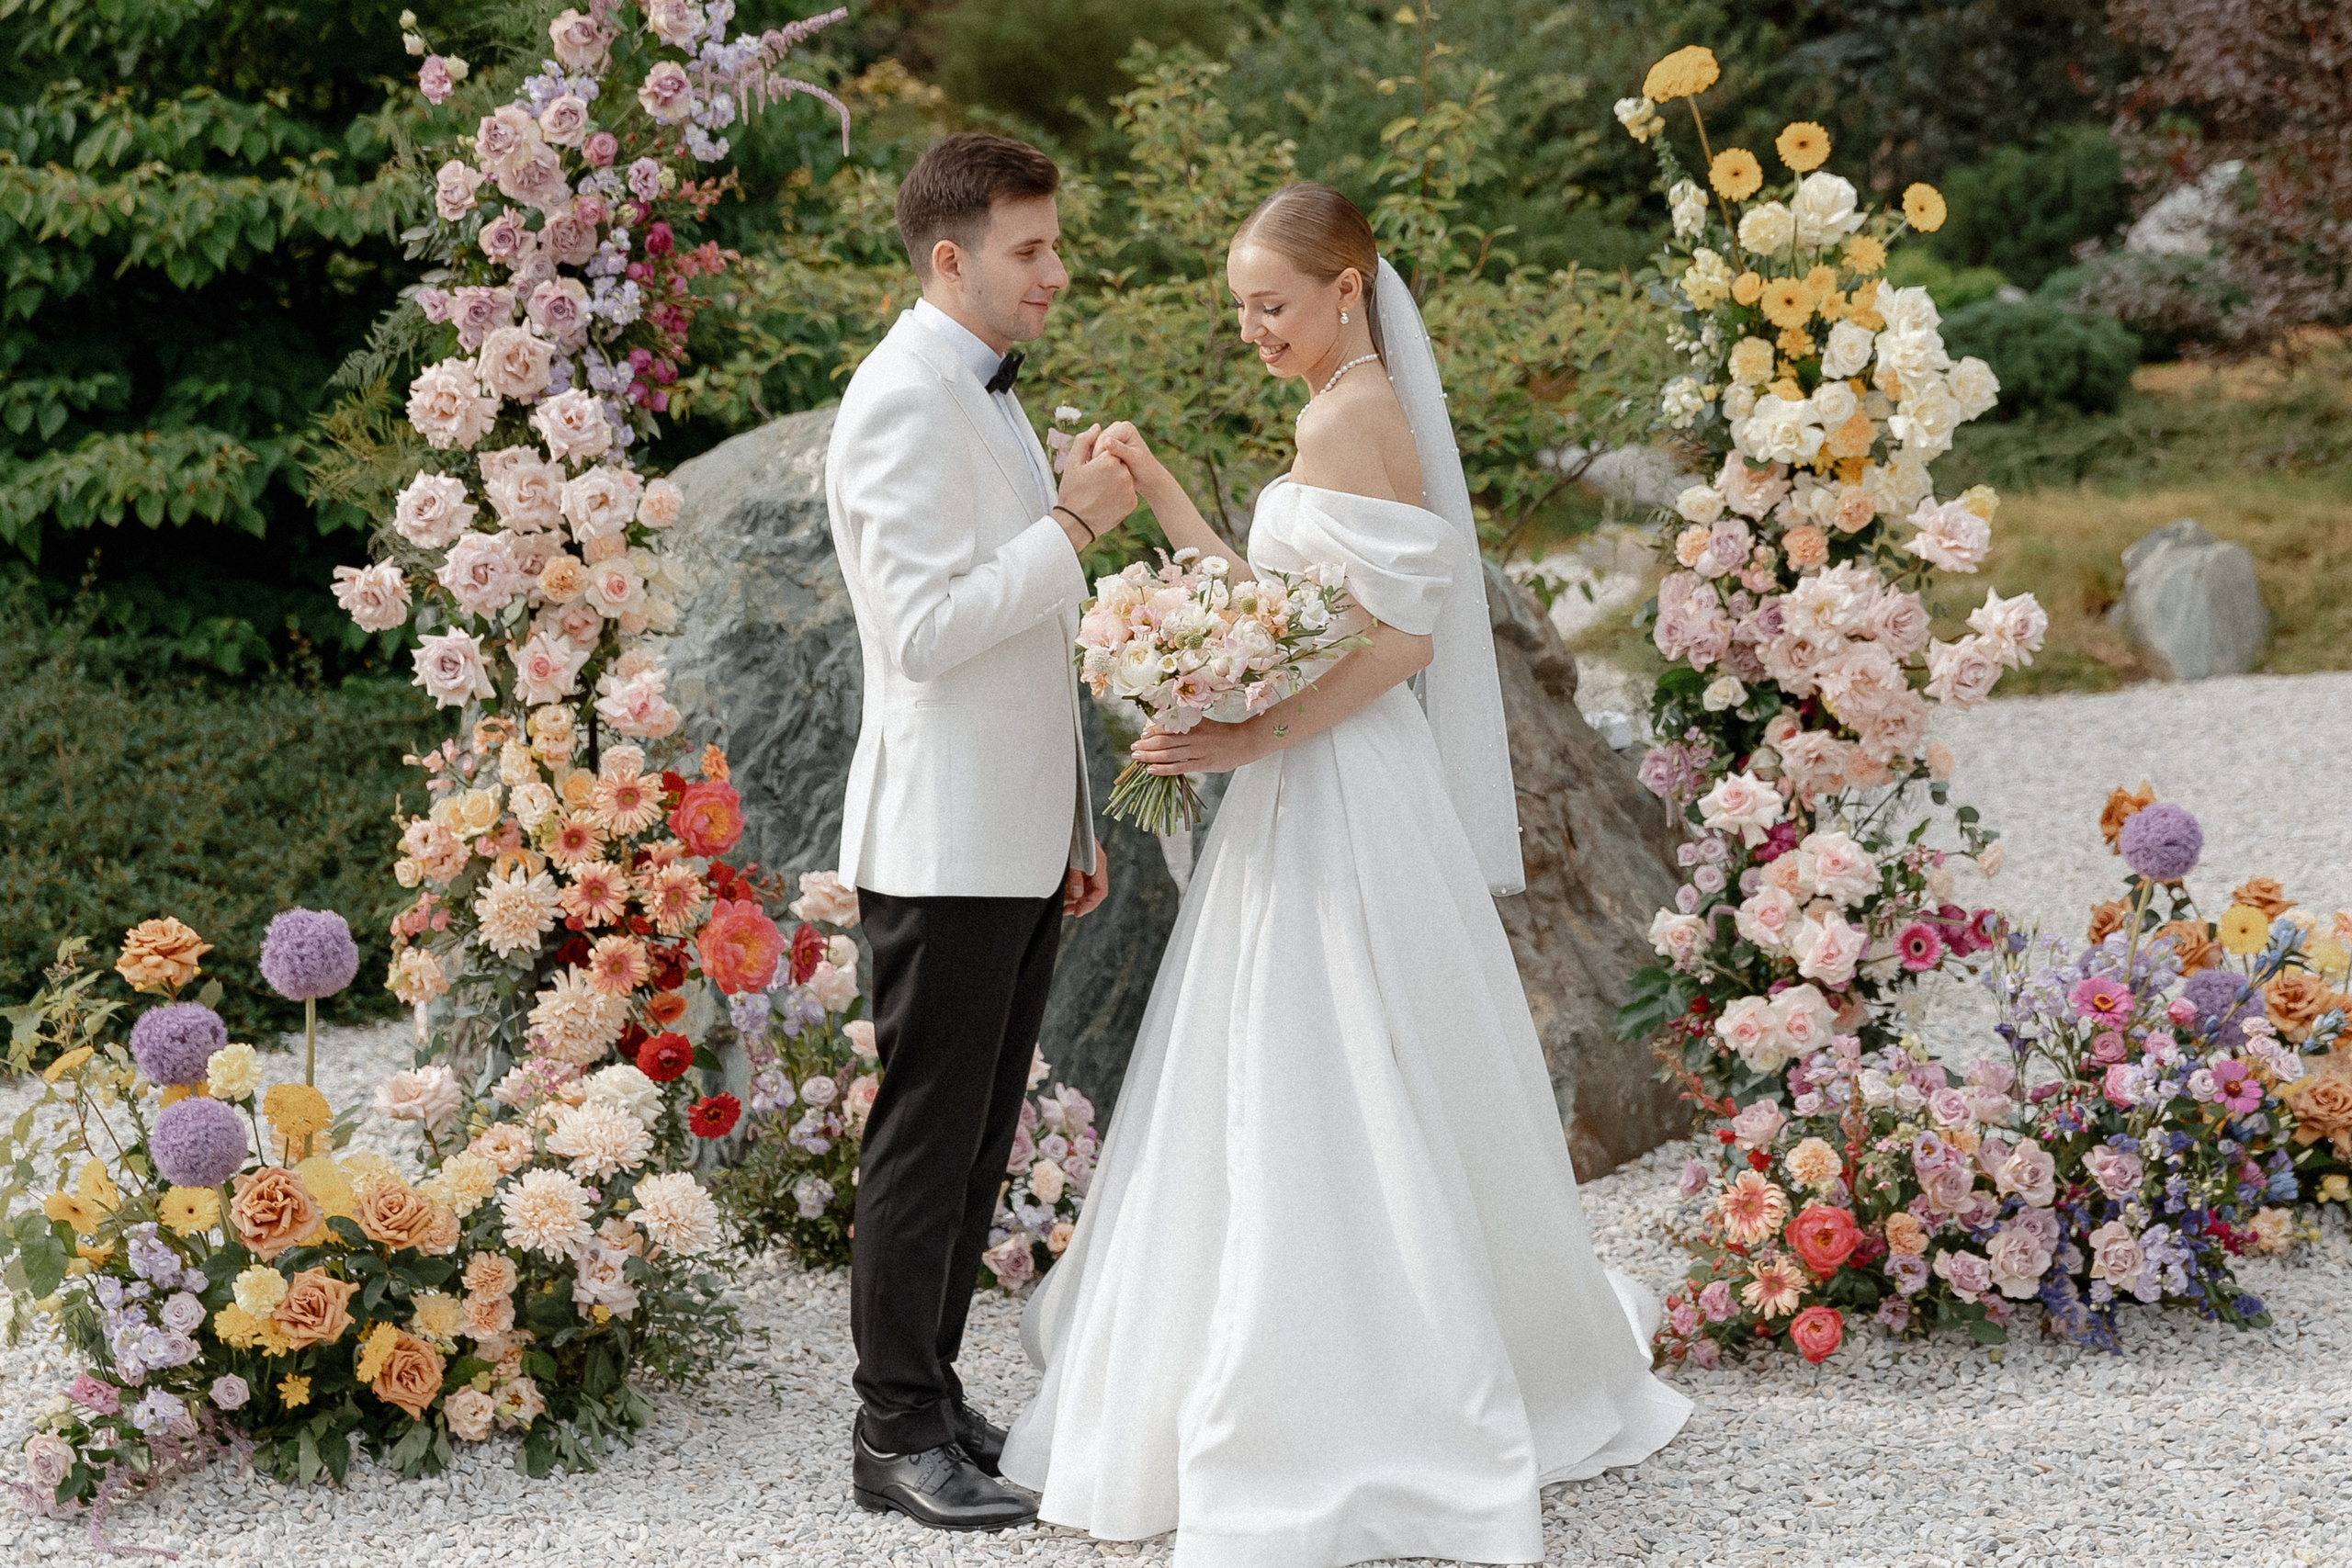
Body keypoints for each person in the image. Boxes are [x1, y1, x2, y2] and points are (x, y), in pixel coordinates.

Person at [998, 183, 1693, 1567]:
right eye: (1241, 308)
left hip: (1341, 785)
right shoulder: (1337, 414)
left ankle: (1352, 1383)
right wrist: (1160, 499)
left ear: (1347, 289)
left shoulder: (1349, 416)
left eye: (1271, 304)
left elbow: (1398, 647)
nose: (1253, 329)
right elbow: (1283, 610)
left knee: (1327, 1050)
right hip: (1307, 783)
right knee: (1294, 1049)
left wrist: (1245, 731)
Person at [822, 130, 1136, 1532]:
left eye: (1053, 246)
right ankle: (891, 1434)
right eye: (1030, 251)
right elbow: (926, 629)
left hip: (1011, 837)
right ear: (950, 258)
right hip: (942, 844)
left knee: (977, 1136)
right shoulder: (900, 397)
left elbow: (1027, 632)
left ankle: (935, 1398)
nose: (1054, 275)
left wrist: (1072, 814)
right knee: (926, 1139)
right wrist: (1074, 521)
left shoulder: (980, 389)